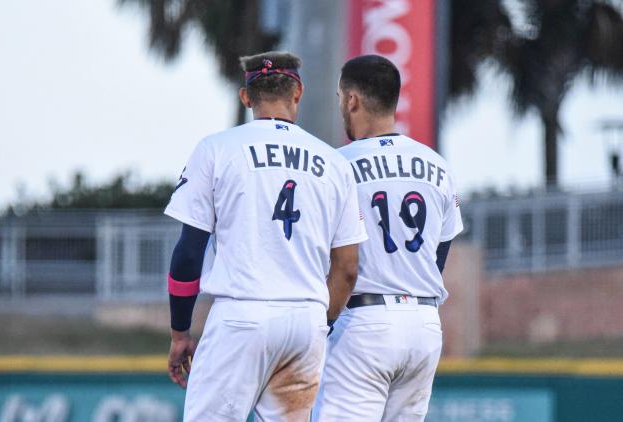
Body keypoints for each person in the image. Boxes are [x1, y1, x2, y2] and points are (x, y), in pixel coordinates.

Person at [163, 51, 367, 422]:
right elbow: (348, 269)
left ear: (246, 97)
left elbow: (188, 254)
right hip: (305, 318)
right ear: (297, 93)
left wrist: (180, 333)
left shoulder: (216, 149)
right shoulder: (335, 163)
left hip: (242, 314)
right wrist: (319, 323)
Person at [313, 55, 463, 421]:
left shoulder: (337, 165)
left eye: (339, 98)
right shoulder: (437, 165)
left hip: (364, 321)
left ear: (352, 100)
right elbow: (439, 253)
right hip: (424, 323)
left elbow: (328, 263)